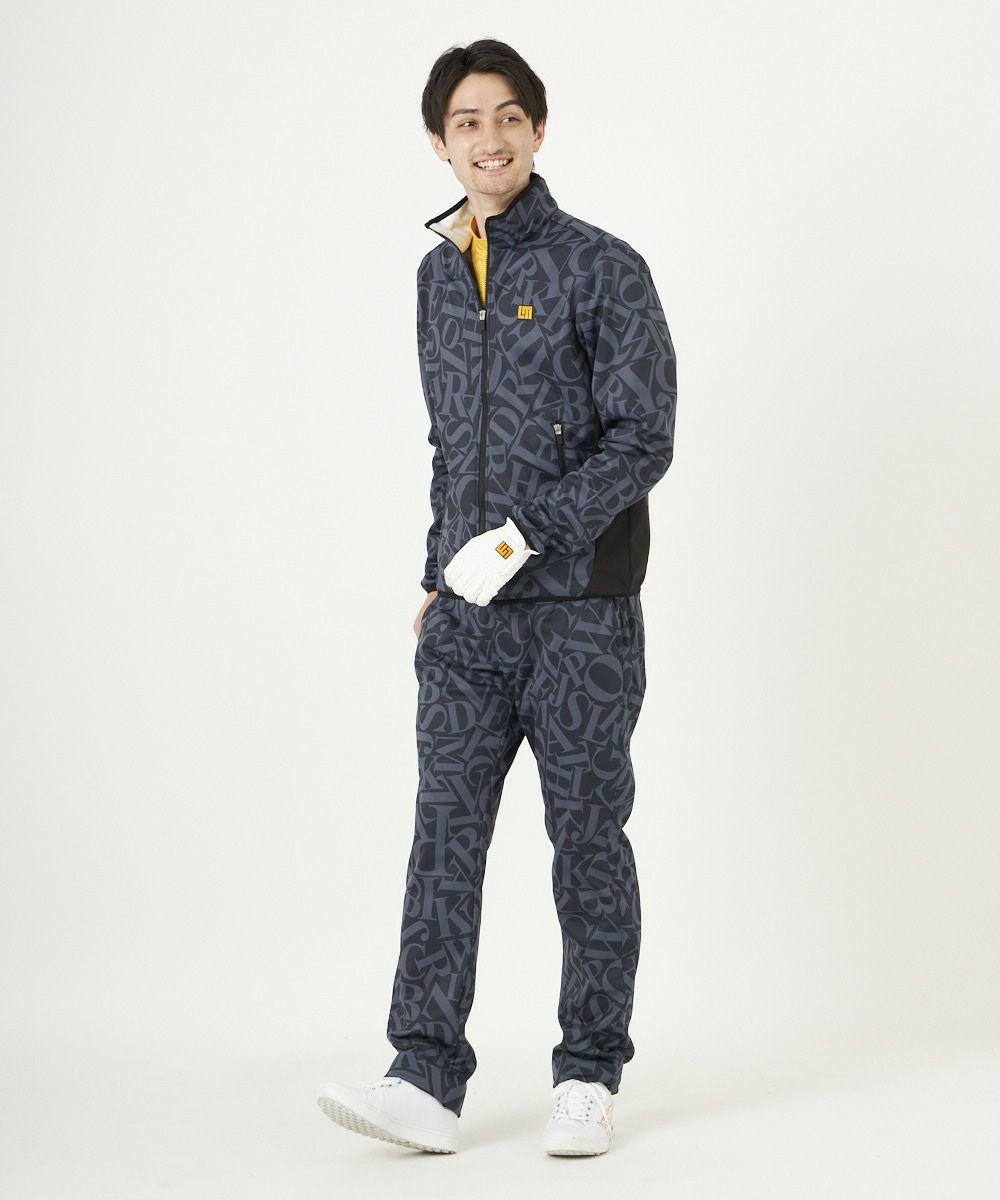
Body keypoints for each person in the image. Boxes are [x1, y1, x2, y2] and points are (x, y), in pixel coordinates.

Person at [318, 38, 676, 1157]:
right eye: (468, 121)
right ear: (440, 142)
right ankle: (423, 1077)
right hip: (468, 625)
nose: (490, 138)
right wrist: (440, 574)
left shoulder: (601, 266)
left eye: (509, 116)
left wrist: (526, 538)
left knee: (586, 839)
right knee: (444, 837)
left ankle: (589, 1075)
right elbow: (450, 446)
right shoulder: (436, 277)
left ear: (538, 129)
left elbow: (642, 438)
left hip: (580, 612)